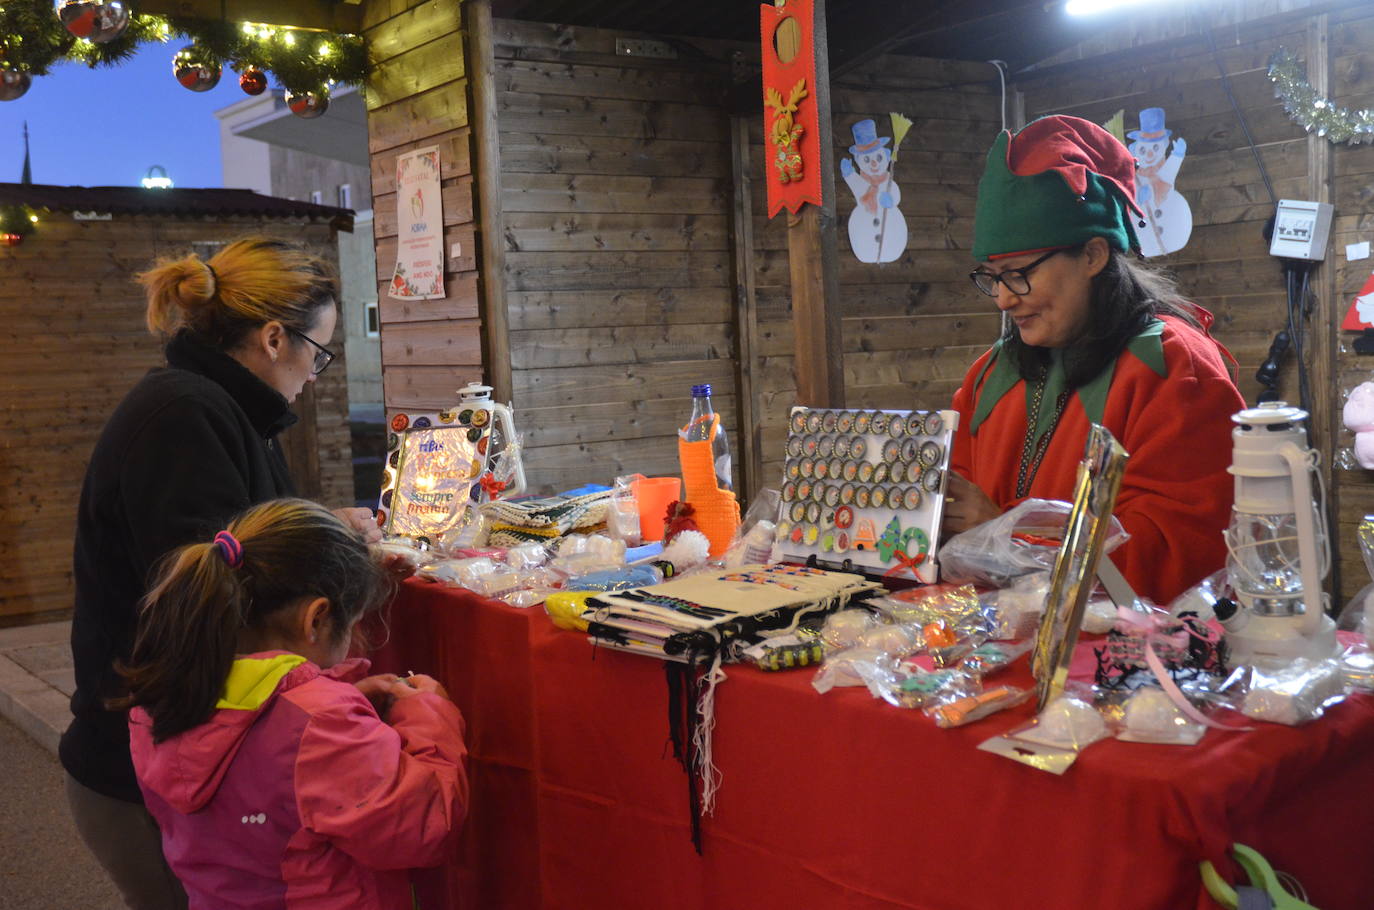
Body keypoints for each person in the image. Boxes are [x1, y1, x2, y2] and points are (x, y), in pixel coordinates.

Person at [61, 237, 382, 910]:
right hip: (146, 774)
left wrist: (323, 525)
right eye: (318, 351)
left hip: (172, 757)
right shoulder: (185, 416)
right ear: (273, 337)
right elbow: (224, 591)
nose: (318, 372)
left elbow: (234, 536)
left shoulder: (215, 407)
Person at [944, 115, 1245, 606]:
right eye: (992, 276)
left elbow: (1180, 556)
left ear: (1093, 255)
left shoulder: (1173, 368)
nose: (1002, 298)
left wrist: (1001, 535)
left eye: (1018, 274)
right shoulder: (990, 375)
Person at [116, 499, 468, 909]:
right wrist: (430, 714)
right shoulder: (320, 725)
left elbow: (261, 735)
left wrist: (340, 697)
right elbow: (420, 827)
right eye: (352, 623)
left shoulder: (162, 696)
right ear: (316, 619)